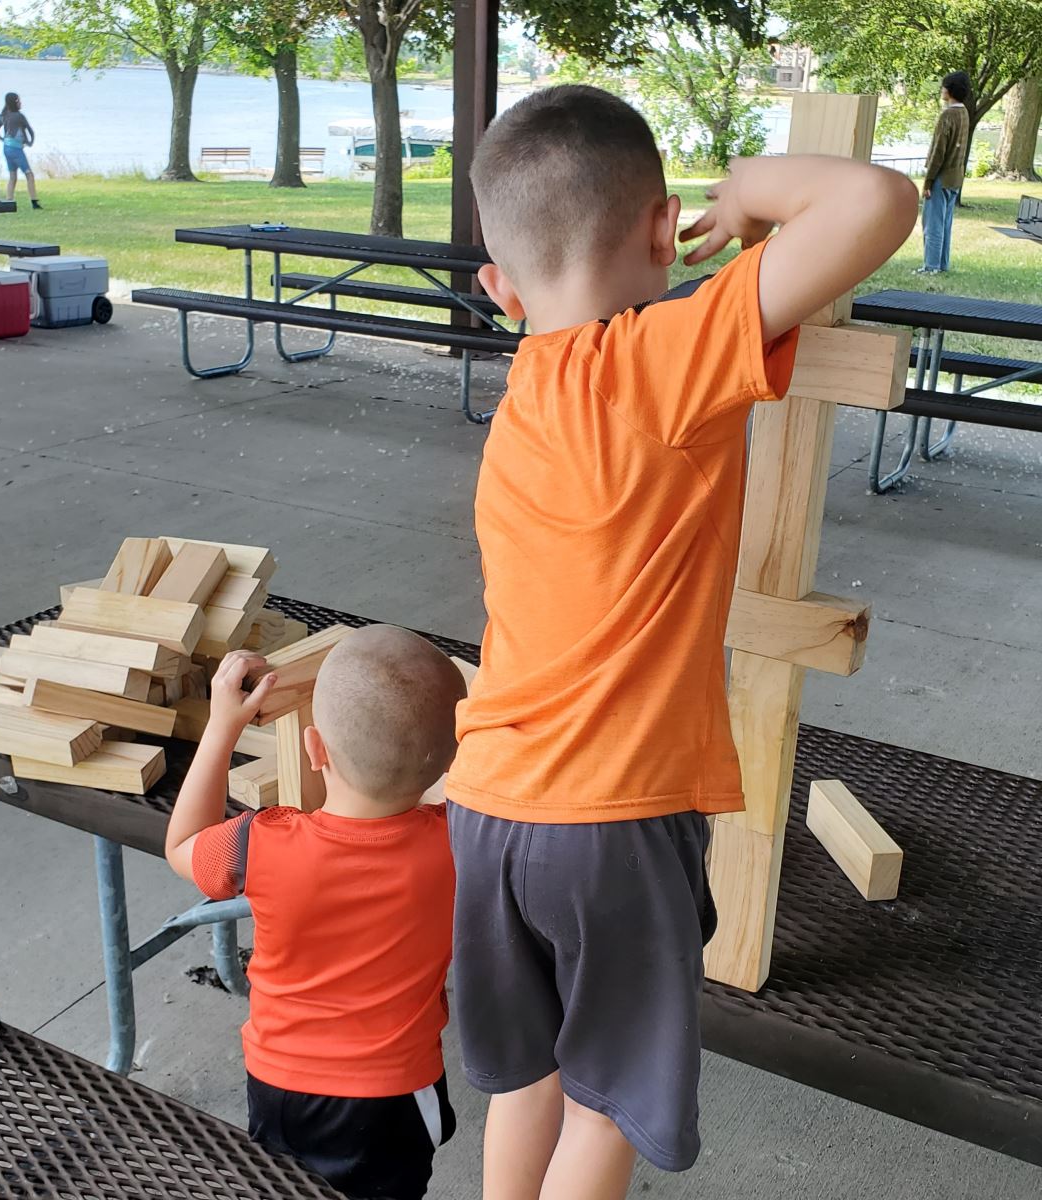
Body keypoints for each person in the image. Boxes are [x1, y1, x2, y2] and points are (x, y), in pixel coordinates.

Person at [445, 84, 917, 1200]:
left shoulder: (527, 388)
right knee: (609, 1101)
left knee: (528, 1084)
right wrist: (752, 186)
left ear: (497, 289)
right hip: (611, 821)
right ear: (662, 232)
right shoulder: (658, 359)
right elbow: (876, 203)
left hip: (488, 804)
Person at [164, 626, 465, 1200]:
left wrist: (223, 725)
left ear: (315, 749)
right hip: (394, 1096)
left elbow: (183, 844)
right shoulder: (461, 845)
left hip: (279, 1083)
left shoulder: (261, 845)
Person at [919, 71, 971, 275]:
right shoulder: (964, 113)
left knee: (933, 224)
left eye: (943, 87)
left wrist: (928, 182)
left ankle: (930, 266)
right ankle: (941, 264)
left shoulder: (947, 115)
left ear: (949, 91)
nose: (941, 90)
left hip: (942, 177)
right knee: (946, 223)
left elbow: (938, 152)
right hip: (956, 177)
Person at [0, 92, 41, 210]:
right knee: (29, 174)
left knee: (12, 176)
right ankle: (34, 202)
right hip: (16, 149)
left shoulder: (4, 115)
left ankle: (9, 201)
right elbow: (30, 131)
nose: (20, 102)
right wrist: (29, 142)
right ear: (14, 102)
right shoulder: (19, 116)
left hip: (6, 148)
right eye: (18, 100)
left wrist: (3, 139)